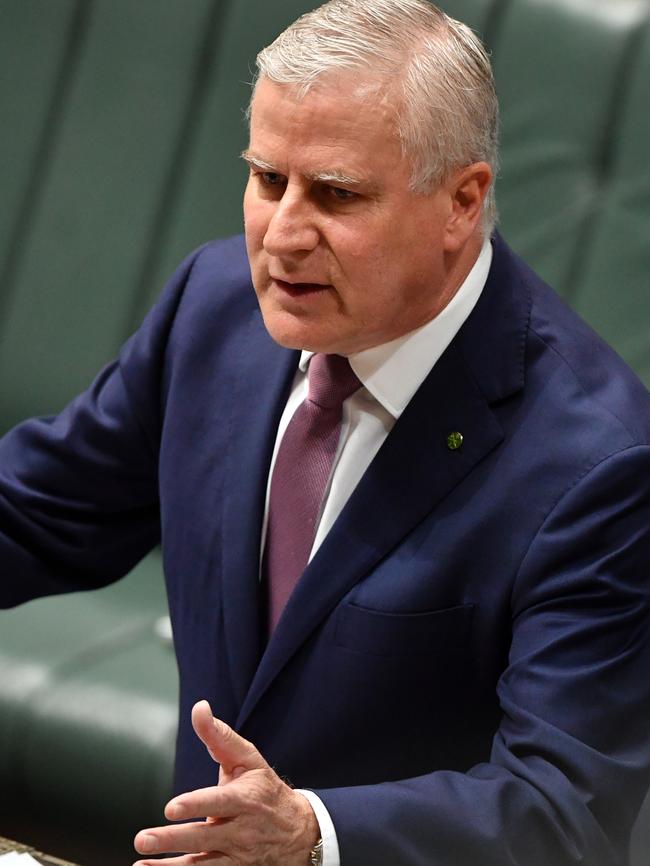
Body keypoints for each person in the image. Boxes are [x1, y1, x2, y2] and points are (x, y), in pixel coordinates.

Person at [1, 1, 649, 864]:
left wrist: (315, 838)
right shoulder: (214, 311)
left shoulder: (599, 465)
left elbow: (565, 810)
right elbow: (36, 512)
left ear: (463, 201)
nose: (284, 237)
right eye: (269, 180)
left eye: (337, 195)